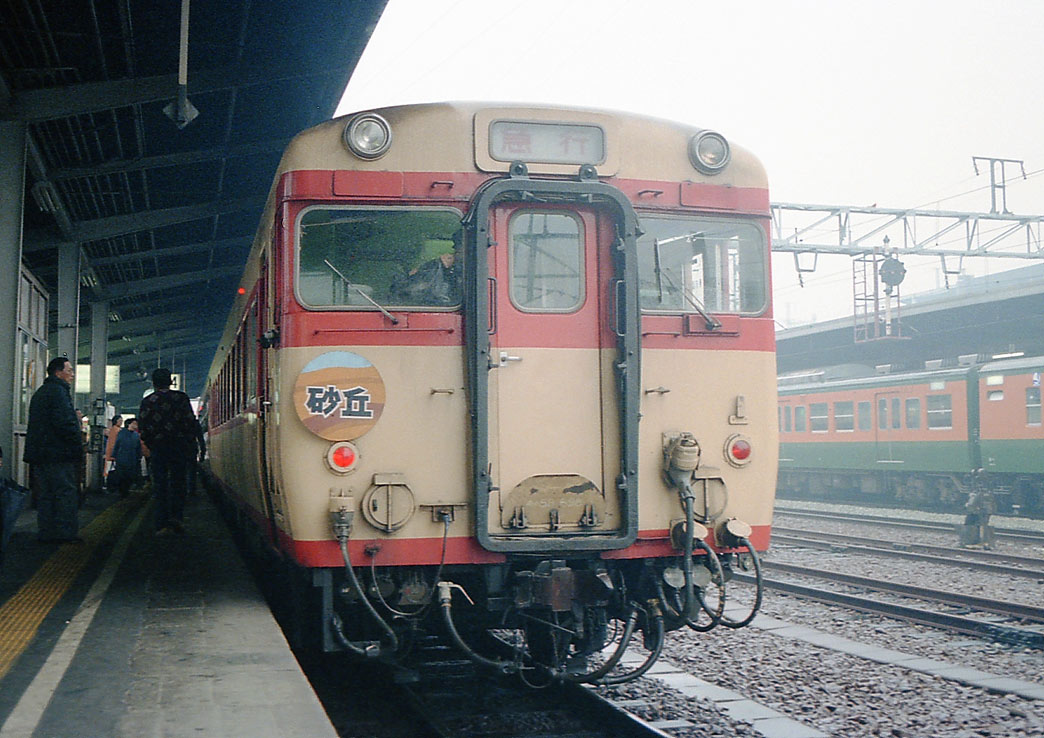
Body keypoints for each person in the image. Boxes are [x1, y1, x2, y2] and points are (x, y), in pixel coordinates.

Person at [23, 357, 84, 544]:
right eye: (70, 370)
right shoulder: (59, 393)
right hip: (58, 453)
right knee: (65, 492)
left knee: (46, 494)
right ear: (58, 372)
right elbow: (65, 424)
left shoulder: (42, 392)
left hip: (41, 454)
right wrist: (77, 444)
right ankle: (65, 533)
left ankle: (47, 532)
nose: (72, 374)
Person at [138, 368, 200, 535]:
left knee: (160, 486)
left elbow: (143, 427)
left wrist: (152, 444)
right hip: (179, 448)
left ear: (153, 383)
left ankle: (161, 523)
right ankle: (176, 519)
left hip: (158, 448)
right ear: (170, 381)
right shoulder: (181, 398)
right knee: (178, 483)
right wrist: (187, 443)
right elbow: (190, 422)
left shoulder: (148, 401)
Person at [110, 418, 143, 498]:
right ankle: (122, 491)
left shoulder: (136, 435)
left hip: (132, 459)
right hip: (122, 458)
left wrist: (139, 456)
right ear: (129, 424)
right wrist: (114, 456)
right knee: (122, 476)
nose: (136, 425)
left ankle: (126, 491)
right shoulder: (122, 433)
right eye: (134, 423)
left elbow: (138, 447)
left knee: (129, 476)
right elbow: (117, 445)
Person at [103, 414, 123, 490]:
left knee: (108, 470)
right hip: (114, 453)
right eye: (120, 420)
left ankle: (107, 484)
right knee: (112, 470)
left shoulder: (112, 429)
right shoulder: (117, 430)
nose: (121, 422)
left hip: (110, 452)